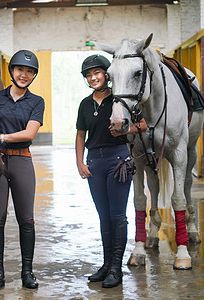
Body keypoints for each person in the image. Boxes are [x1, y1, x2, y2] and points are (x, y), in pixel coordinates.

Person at [75, 54, 147, 288]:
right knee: (103, 217)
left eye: (97, 73)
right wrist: (80, 162)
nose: (93, 77)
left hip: (118, 160)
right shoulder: (85, 104)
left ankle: (116, 269)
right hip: (94, 162)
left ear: (107, 74)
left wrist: (125, 132)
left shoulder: (120, 98)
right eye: (88, 75)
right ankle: (106, 265)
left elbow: (143, 125)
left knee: (117, 216)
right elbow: (80, 135)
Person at [0, 50, 44, 292]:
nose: (24, 75)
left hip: (21, 161)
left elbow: (30, 133)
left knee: (26, 220)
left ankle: (27, 273)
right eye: (20, 69)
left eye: (30, 71)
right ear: (11, 71)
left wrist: (1, 137)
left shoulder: (36, 101)